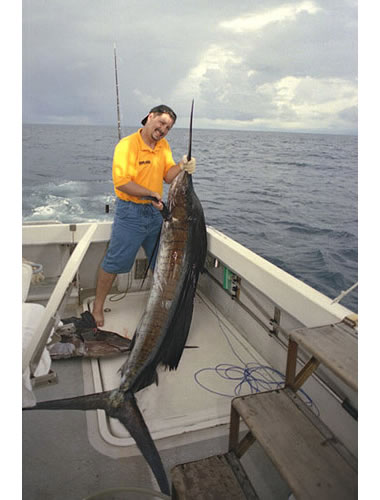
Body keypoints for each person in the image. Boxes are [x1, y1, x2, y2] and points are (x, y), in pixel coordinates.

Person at [92, 104, 196, 326]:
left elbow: (168, 177)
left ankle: (160, 306)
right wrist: (149, 193)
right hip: (131, 214)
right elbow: (123, 183)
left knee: (163, 263)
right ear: (150, 117)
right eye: (161, 122)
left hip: (156, 214)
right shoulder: (127, 145)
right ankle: (97, 307)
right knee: (115, 262)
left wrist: (181, 165)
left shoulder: (163, 145)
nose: (163, 129)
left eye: (168, 127)